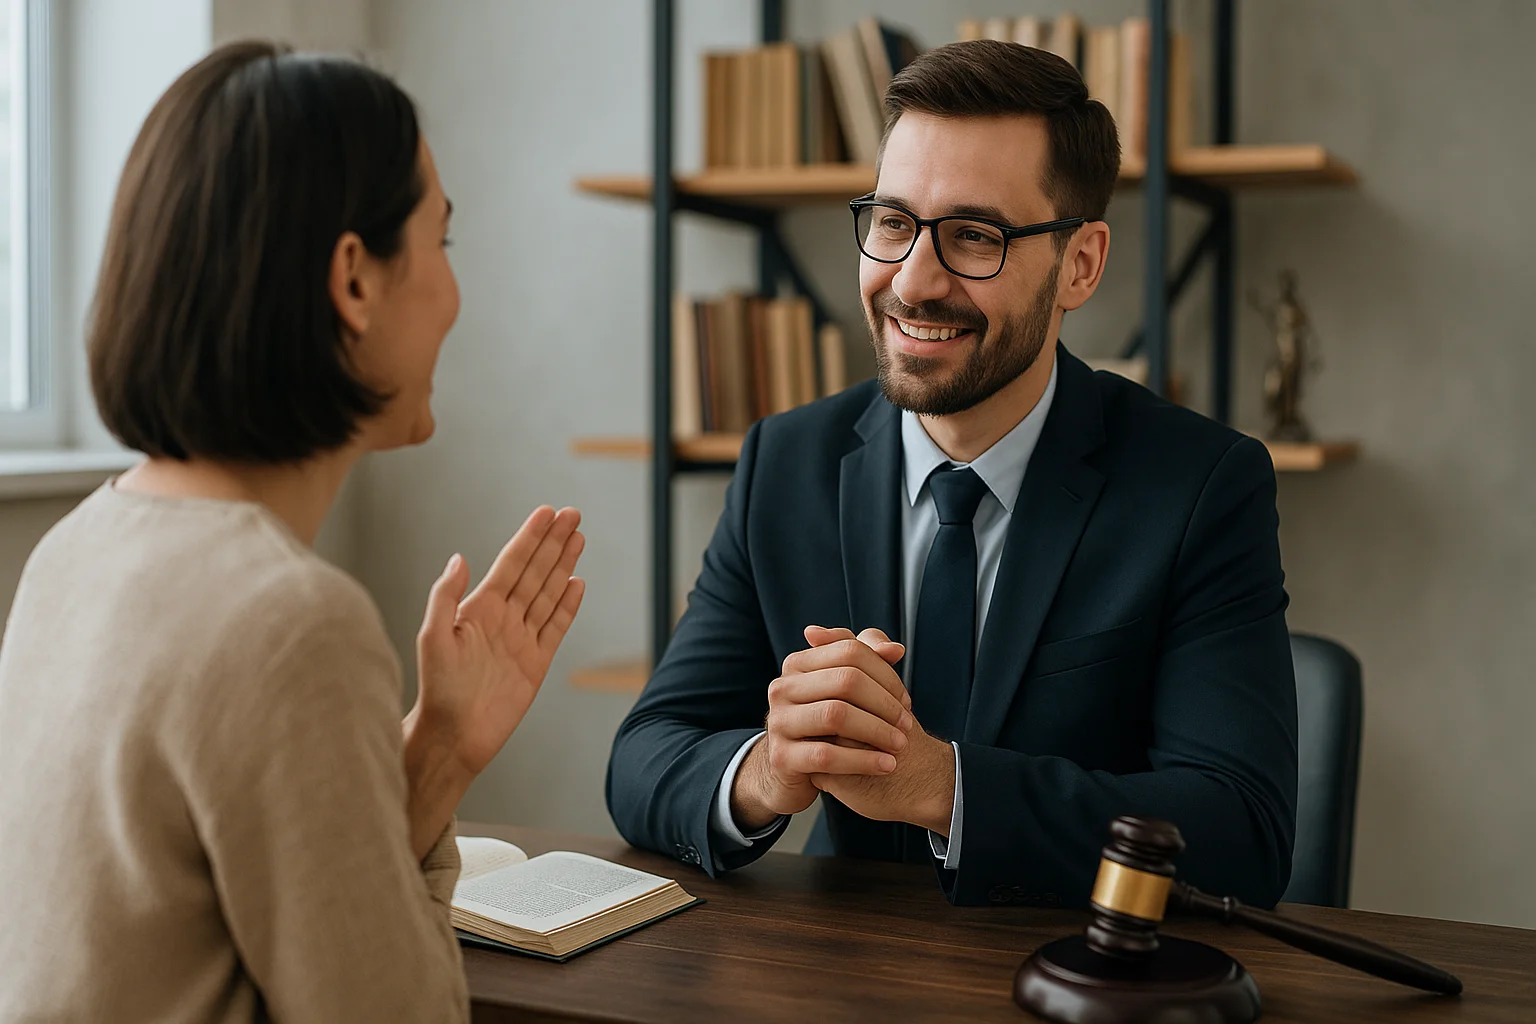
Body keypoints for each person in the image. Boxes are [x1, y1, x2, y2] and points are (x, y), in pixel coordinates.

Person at [606, 40, 1297, 909]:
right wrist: (769, 773)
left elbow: (1241, 833)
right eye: (894, 222)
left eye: (975, 236)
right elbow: (646, 755)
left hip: (1071, 967)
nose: (914, 281)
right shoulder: (784, 463)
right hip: (832, 967)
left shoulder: (1202, 486)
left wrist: (942, 786)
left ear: (1080, 264)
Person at [0, 42, 584, 1021]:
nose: (455, 294)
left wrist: (439, 748)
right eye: (442, 241)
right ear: (353, 281)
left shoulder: (73, 550)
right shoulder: (293, 623)